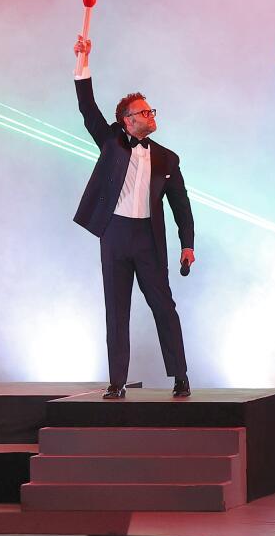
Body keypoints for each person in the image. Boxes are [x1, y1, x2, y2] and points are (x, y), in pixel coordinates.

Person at [72, 35, 194, 400]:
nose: (151, 116)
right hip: (114, 234)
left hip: (148, 238)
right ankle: (117, 382)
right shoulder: (110, 141)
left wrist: (187, 245)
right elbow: (86, 106)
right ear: (126, 121)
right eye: (144, 112)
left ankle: (181, 375)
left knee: (163, 306)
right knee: (116, 309)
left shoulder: (167, 159)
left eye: (152, 111)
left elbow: (181, 206)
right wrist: (83, 60)